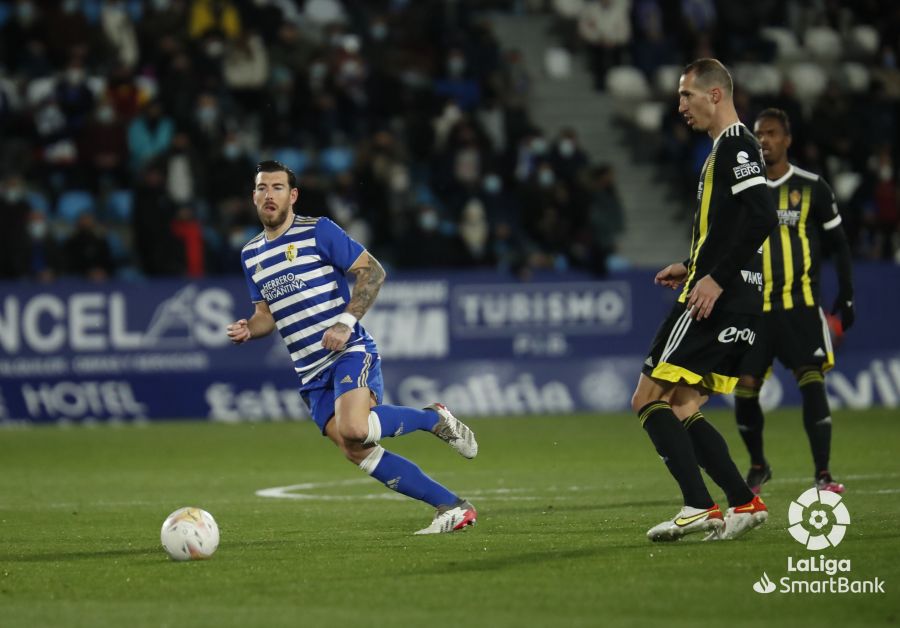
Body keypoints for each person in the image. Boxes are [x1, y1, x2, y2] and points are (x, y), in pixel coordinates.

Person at [226, 160, 478, 535]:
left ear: (292, 196)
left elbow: (373, 271)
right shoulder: (251, 254)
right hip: (309, 372)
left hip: (348, 350)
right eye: (261, 188)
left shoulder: (318, 231)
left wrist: (345, 323)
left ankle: (432, 419)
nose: (268, 195)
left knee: (356, 428)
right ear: (253, 196)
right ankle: (452, 507)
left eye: (277, 187)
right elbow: (266, 314)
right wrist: (251, 326)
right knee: (355, 448)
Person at [630, 59, 778, 542]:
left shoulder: (736, 144)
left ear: (714, 95)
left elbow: (761, 217)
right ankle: (744, 501)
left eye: (686, 96)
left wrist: (710, 277)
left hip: (716, 297)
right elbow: (731, 225)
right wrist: (691, 263)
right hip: (735, 296)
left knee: (647, 398)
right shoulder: (727, 149)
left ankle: (698, 505)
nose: (680, 106)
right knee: (683, 405)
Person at [734, 109, 855, 495]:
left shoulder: (812, 187)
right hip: (754, 309)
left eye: (771, 133)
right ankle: (758, 465)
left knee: (811, 379)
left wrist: (847, 294)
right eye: (758, 135)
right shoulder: (743, 188)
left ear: (787, 139)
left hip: (798, 305)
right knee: (745, 386)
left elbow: (839, 244)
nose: (763, 140)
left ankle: (822, 474)